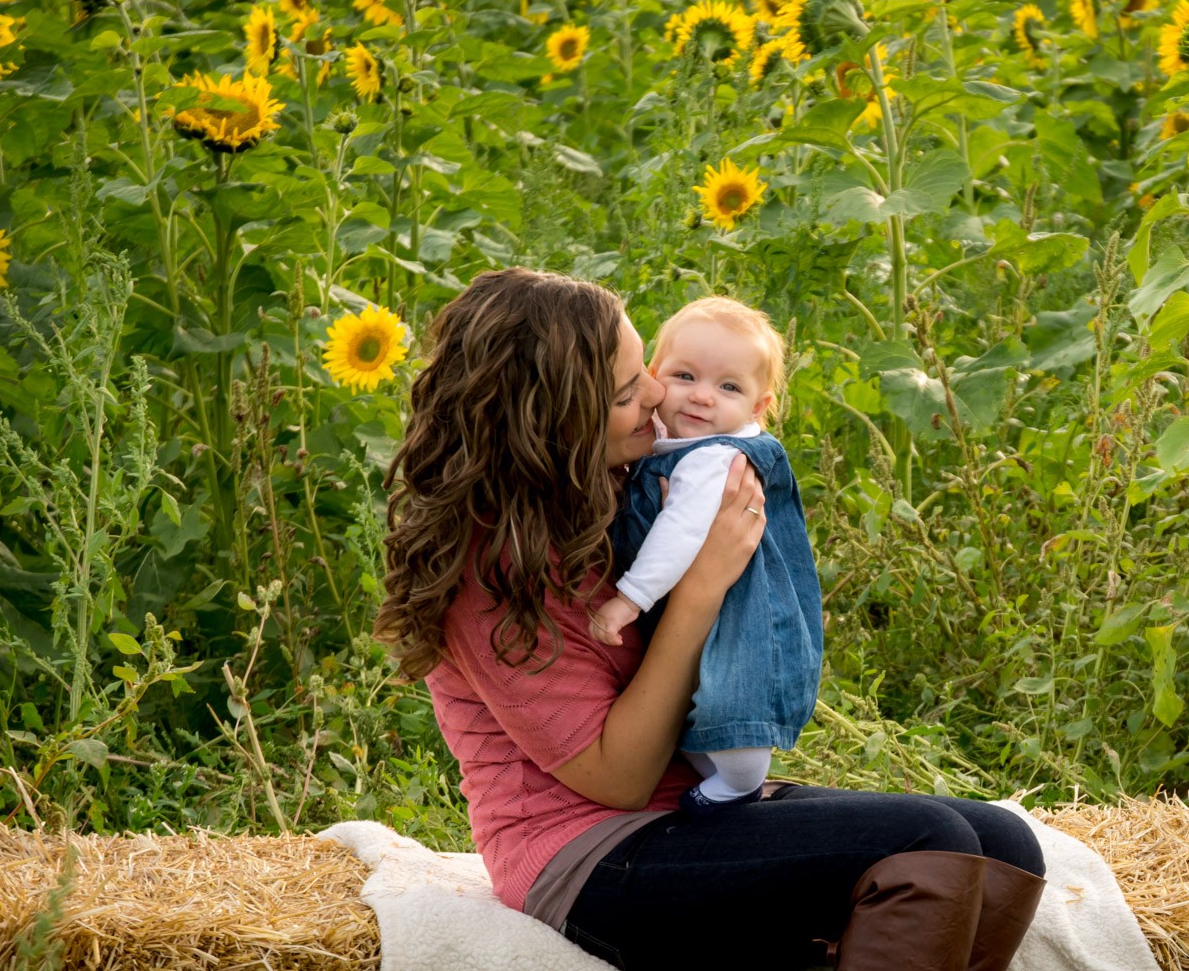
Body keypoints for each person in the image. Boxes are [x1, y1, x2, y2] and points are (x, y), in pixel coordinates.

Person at [374, 268, 1046, 971]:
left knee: (1003, 844)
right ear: (555, 421)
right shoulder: (490, 573)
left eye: (648, 374)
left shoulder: (611, 492)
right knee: (929, 838)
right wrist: (700, 590)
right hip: (587, 854)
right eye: (629, 392)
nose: (659, 396)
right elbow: (619, 779)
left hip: (688, 814)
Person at [590, 296, 821, 815]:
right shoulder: (678, 439)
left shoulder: (712, 459)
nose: (701, 398)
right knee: (703, 702)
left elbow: (680, 531)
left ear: (758, 408)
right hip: (703, 606)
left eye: (728, 387)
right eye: (685, 375)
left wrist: (628, 600)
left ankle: (739, 780)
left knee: (733, 691)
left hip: (739, 609)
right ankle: (723, 780)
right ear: (655, 374)